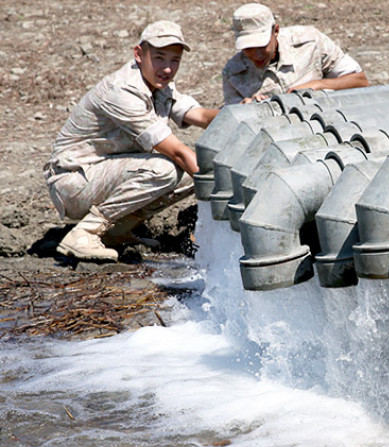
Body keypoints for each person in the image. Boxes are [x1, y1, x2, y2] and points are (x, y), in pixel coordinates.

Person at [45, 20, 219, 262]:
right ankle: (86, 232)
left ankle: (116, 231)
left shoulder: (160, 85)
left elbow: (198, 115)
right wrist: (221, 190)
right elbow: (178, 152)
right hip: (72, 182)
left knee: (191, 172)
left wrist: (237, 115)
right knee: (167, 169)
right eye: (159, 57)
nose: (168, 68)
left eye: (174, 60)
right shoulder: (122, 91)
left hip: (103, 173)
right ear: (139, 54)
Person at [222, 3, 369, 105]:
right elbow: (234, 126)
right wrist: (248, 109)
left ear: (276, 31)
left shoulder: (311, 42)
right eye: (248, 48)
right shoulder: (234, 73)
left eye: (262, 46)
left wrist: (317, 86)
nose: (256, 55)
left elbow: (360, 81)